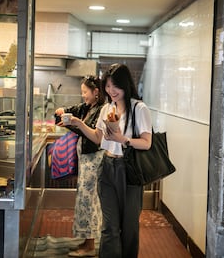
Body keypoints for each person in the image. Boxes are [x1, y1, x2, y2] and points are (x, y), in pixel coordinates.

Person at [64, 64, 152, 258]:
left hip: (129, 170)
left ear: (126, 85)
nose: (111, 91)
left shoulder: (139, 108)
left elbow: (146, 143)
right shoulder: (107, 108)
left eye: (116, 86)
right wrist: (79, 123)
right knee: (109, 227)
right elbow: (97, 138)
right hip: (107, 167)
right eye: (108, 86)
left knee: (129, 227)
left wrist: (123, 139)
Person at [55, 75, 106, 257]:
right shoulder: (88, 106)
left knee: (88, 201)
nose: (83, 95)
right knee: (84, 200)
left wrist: (75, 123)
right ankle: (86, 240)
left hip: (94, 160)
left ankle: (90, 246)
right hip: (85, 160)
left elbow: (93, 135)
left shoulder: (102, 110)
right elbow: (73, 110)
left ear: (96, 92)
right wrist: (63, 111)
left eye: (85, 92)